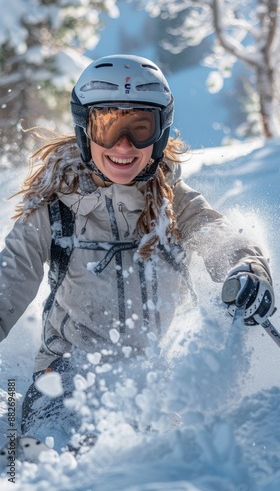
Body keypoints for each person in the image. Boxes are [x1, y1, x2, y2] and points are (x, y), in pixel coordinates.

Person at [0, 54, 275, 453]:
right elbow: (10, 279)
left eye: (140, 128)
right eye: (108, 127)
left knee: (172, 457)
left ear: (160, 133)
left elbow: (219, 235)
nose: (124, 146)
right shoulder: (54, 208)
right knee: (58, 450)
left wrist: (246, 266)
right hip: (66, 374)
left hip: (153, 381)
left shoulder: (173, 203)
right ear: (85, 129)